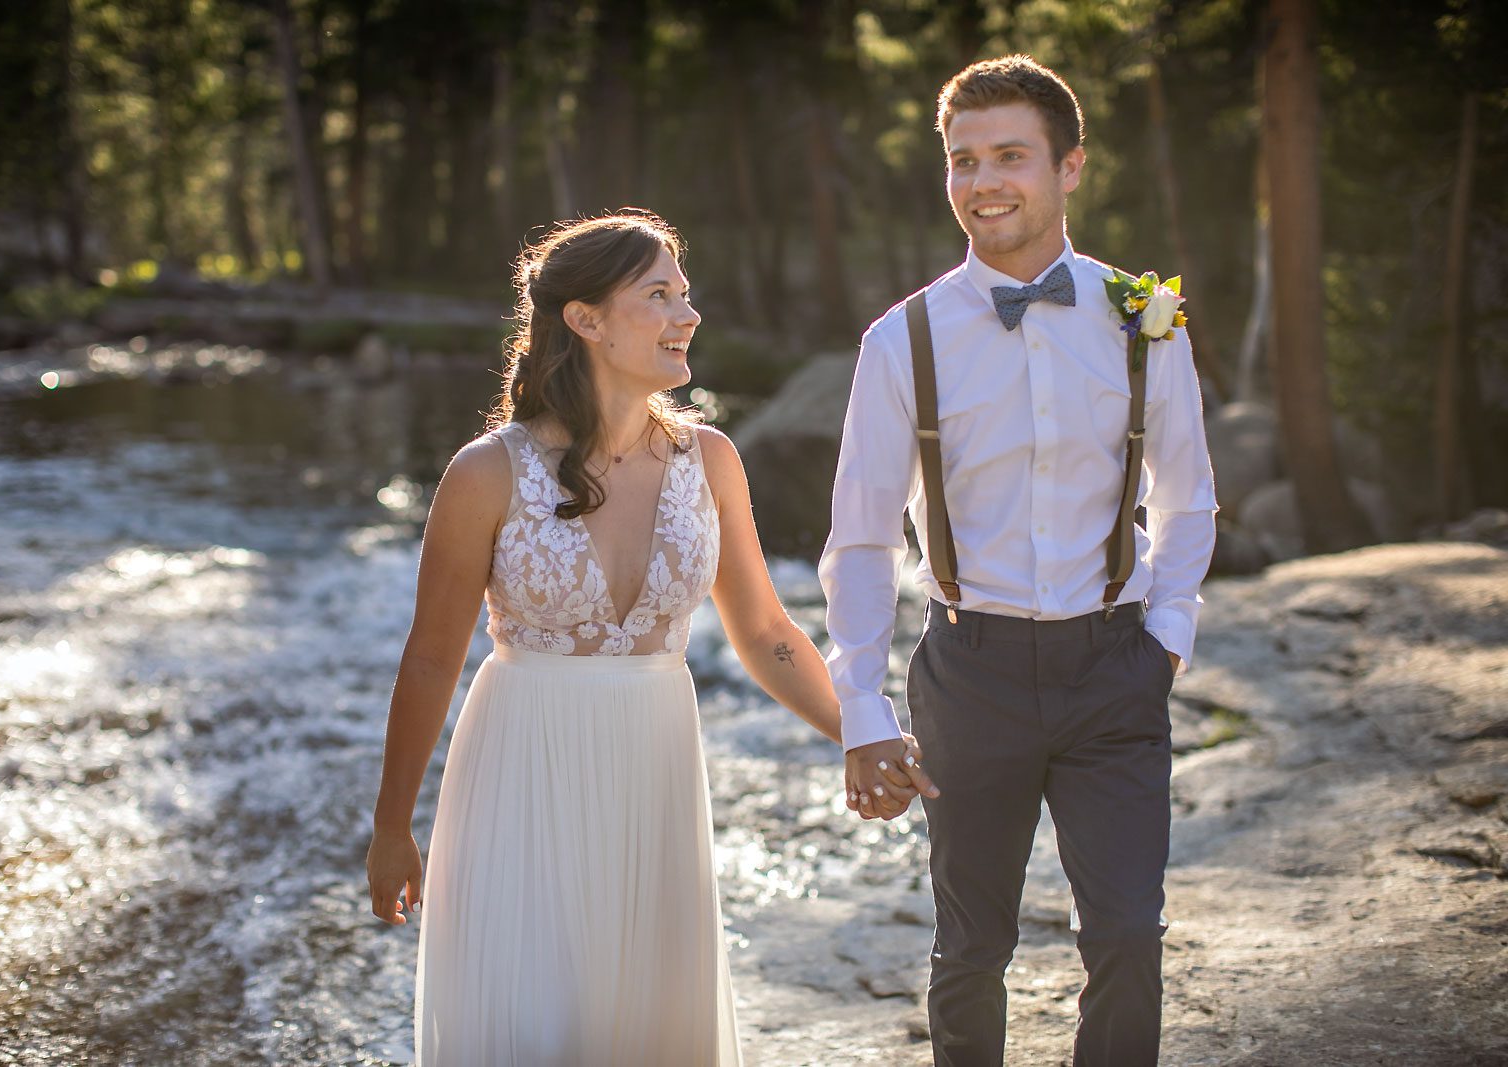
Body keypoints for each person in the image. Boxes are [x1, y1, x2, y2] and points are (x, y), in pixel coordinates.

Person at [365, 211, 922, 1066]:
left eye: (686, 295)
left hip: (655, 767)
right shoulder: (486, 471)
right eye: (658, 295)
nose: (687, 315)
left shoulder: (712, 460)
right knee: (536, 1016)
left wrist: (862, 730)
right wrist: (393, 826)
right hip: (524, 764)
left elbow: (769, 630)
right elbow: (433, 657)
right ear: (584, 319)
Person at [820, 56, 1218, 1066]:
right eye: (962, 160)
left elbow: (1187, 493)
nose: (982, 180)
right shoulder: (900, 338)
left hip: (1113, 670)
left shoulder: (1142, 317)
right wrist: (861, 706)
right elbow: (860, 532)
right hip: (969, 670)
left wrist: (1165, 635)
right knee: (969, 946)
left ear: (1070, 166)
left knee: (1127, 932)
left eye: (1009, 156)